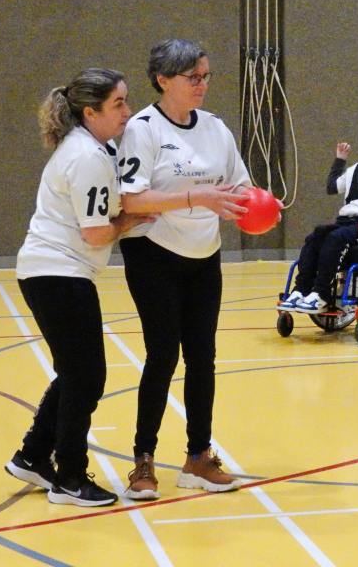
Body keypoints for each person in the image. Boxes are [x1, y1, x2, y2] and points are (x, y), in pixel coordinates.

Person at [118, 39, 256, 501]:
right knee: (162, 355)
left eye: (206, 76)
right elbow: (132, 199)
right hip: (154, 252)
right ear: (163, 80)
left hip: (205, 251)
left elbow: (239, 185)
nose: (202, 85)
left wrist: (252, 208)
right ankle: (143, 459)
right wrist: (197, 197)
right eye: (192, 77)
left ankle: (198, 456)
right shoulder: (143, 129)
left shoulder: (216, 128)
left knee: (204, 356)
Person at [5, 68, 150, 507]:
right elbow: (95, 233)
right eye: (119, 104)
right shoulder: (86, 156)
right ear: (91, 112)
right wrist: (129, 220)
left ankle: (32, 456)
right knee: (87, 378)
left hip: (54, 272)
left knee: (76, 373)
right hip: (58, 274)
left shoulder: (92, 148)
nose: (127, 112)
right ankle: (69, 477)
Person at [278, 121, 358, 312]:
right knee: (317, 235)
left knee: (335, 238)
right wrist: (340, 159)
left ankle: (321, 295)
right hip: (346, 223)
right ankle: (300, 290)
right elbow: (332, 186)